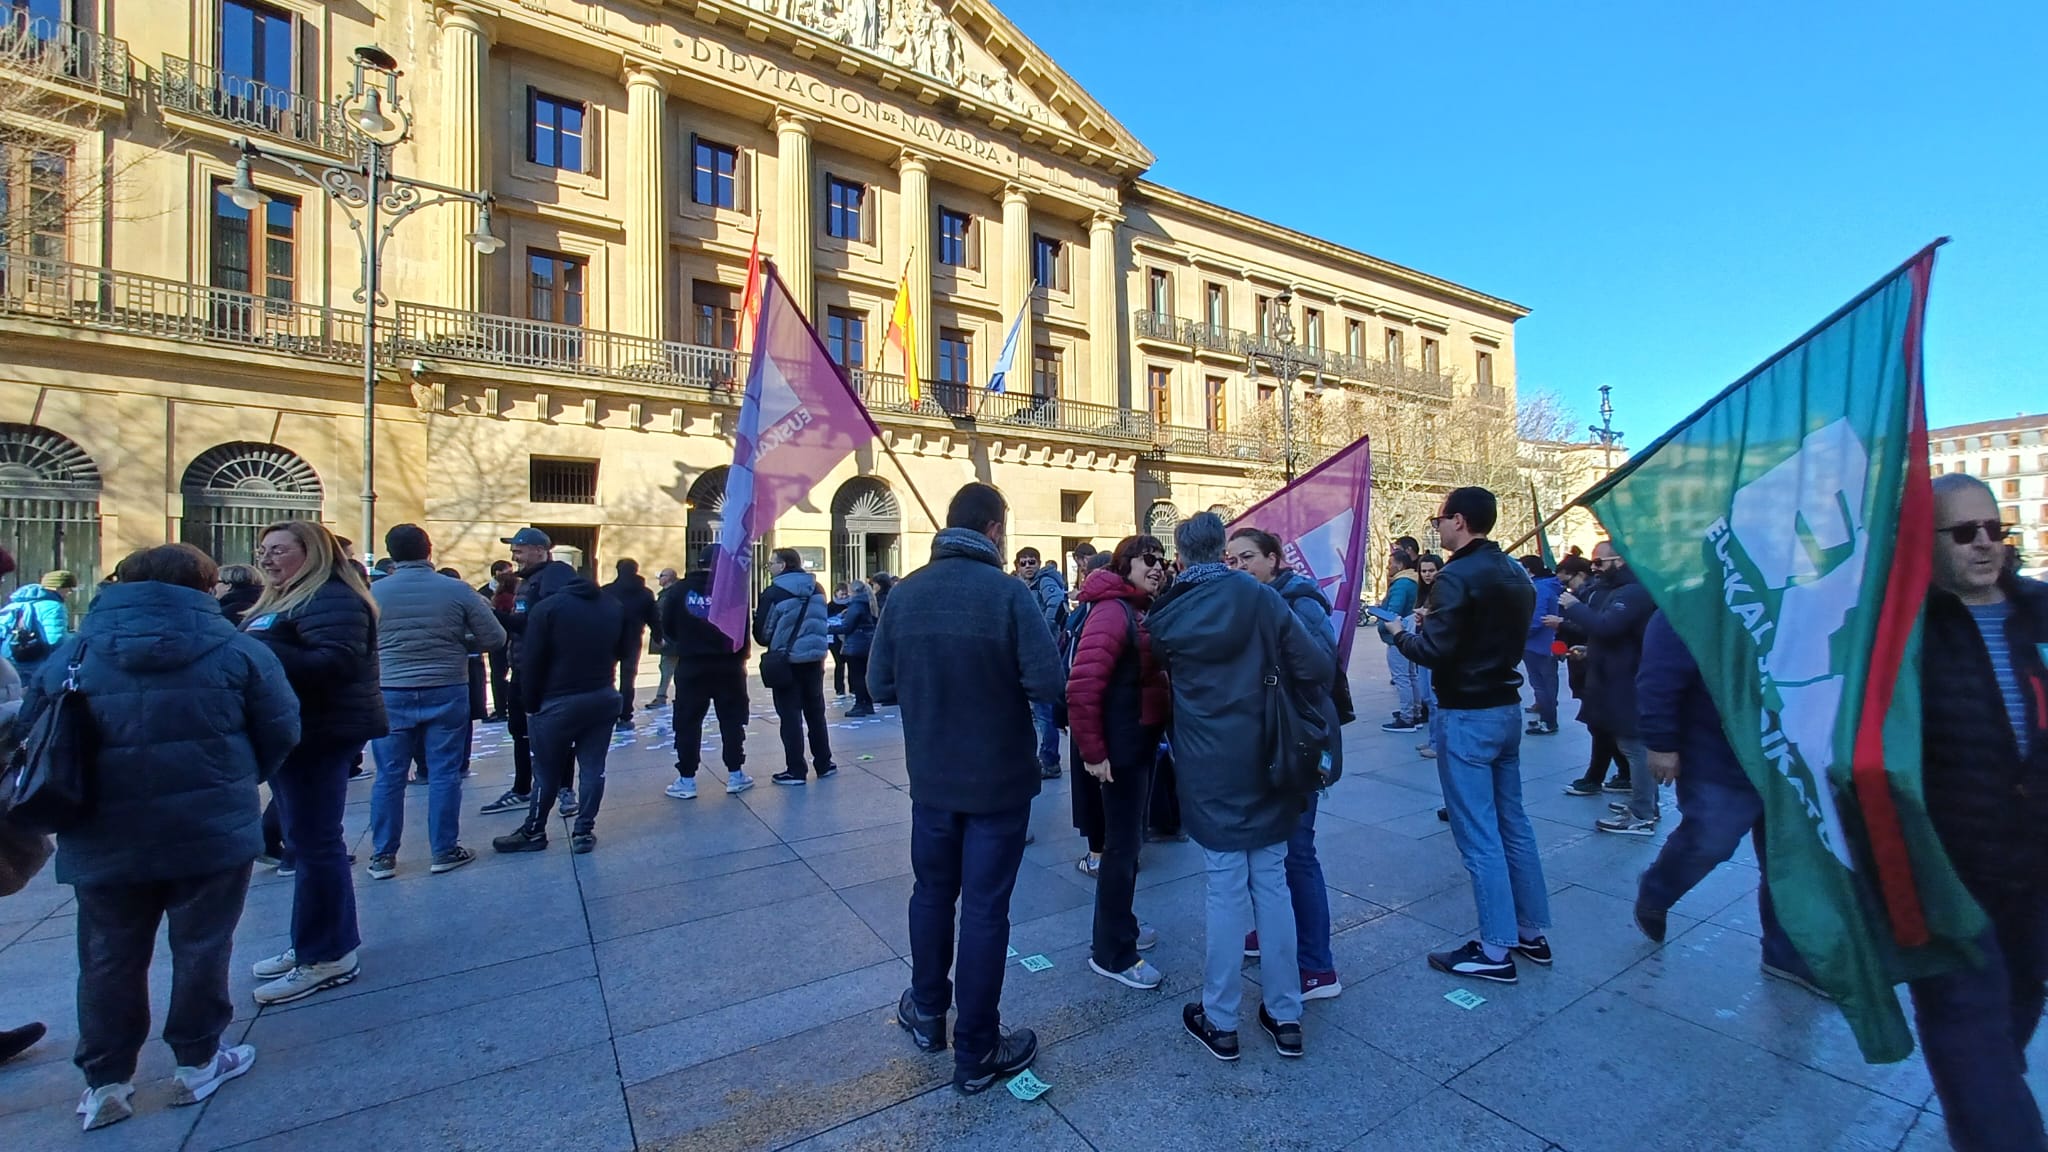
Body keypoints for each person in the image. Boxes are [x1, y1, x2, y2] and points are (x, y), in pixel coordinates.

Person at [19, 545, 300, 1130]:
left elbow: (33, 735)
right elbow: (280, 731)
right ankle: (198, 1060)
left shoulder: (75, 653)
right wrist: (235, 781)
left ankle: (105, 1079)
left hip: (101, 827)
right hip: (209, 823)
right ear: (206, 587)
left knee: (106, 955)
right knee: (203, 944)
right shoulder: (237, 650)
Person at [871, 482, 1062, 1094]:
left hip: (931, 779)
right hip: (1000, 783)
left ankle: (928, 1012)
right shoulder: (1009, 594)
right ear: (996, 531)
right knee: (984, 909)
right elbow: (1048, 681)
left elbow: (878, 684)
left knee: (931, 893)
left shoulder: (906, 594)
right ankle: (977, 1048)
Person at [1149, 512, 1331, 1061]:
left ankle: (1220, 1017)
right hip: (1267, 754)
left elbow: (1159, 668)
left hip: (1207, 763)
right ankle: (1285, 1013)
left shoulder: (1168, 611)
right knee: (1271, 882)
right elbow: (1317, 666)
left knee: (1225, 886)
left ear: (1181, 557)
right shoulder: (1260, 598)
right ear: (1224, 553)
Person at [1908, 473, 2048, 1152]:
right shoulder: (1898, 637)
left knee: (2015, 1019)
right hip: (1947, 885)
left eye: (1996, 529)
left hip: (2034, 879)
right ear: (1926, 544)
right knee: (1974, 1049)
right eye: (1965, 533)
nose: (1986, 543)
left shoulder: (2040, 611)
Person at [1388, 487, 1551, 983]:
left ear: (1459, 521)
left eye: (1440, 519)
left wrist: (1399, 633)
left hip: (1468, 711)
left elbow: (1434, 651)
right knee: (1513, 823)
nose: (1436, 527)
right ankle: (1530, 930)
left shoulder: (1458, 574)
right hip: (1504, 705)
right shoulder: (1515, 573)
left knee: (1479, 833)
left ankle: (1495, 947)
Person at [1629, 609, 1821, 992]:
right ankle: (1658, 889)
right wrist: (1661, 741)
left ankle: (1786, 955)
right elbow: (1659, 675)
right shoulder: (1699, 595)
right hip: (1718, 751)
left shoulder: (1802, 591)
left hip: (1794, 754)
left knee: (1790, 861)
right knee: (1710, 840)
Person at [241, 520, 384, 1006]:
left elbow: (336, 662)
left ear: (314, 553)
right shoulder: (293, 598)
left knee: (315, 843)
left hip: (320, 732)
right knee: (306, 841)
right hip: (299, 732)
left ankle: (327, 952)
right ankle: (314, 942)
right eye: (264, 550)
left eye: (279, 549)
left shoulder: (332, 598)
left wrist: (261, 651)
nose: (267, 558)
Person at [1226, 526, 1347, 1002]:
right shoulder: (1258, 600)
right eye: (1231, 559)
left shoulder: (1299, 601)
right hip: (1275, 739)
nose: (1238, 567)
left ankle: (1318, 966)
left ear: (1275, 559)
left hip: (1299, 742)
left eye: (1248, 558)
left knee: (1297, 852)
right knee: (1275, 848)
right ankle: (1278, 931)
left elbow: (1318, 666)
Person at [365, 525, 505, 881]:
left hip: (392, 688)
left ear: (391, 552)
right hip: (446, 684)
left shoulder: (371, 593)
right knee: (444, 772)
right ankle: (443, 849)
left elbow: (358, 643)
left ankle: (383, 855)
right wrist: (459, 640)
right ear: (429, 550)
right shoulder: (455, 590)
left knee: (389, 775)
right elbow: (494, 637)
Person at [1067, 535, 1172, 991]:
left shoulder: (1137, 607)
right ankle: (1112, 952)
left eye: (1162, 560)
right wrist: (1094, 753)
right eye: (1149, 559)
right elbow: (1082, 686)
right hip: (1122, 748)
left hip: (1139, 742)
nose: (1158, 567)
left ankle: (1122, 924)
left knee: (1128, 844)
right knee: (1121, 847)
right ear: (1125, 562)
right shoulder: (1113, 611)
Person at [492, 562, 634, 854]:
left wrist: (529, 704)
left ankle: (534, 829)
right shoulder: (612, 605)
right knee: (594, 768)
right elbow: (625, 650)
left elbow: (532, 661)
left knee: (545, 771)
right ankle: (583, 830)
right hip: (602, 694)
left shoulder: (548, 608)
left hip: (556, 699)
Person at [1560, 542, 1659, 834]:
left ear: (1620, 561)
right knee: (1627, 743)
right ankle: (1645, 804)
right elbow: (1614, 637)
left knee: (1634, 746)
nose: (1594, 568)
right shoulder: (1620, 591)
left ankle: (1642, 813)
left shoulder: (1634, 592)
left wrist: (1574, 607)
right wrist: (1589, 651)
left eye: (1600, 563)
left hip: (1627, 681)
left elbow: (1607, 627)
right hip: (1614, 678)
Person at [481, 528, 577, 816]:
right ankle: (524, 786)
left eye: (519, 550)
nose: (515, 556)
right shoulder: (527, 583)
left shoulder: (548, 582)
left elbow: (531, 625)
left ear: (539, 550)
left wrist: (493, 614)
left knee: (555, 731)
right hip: (523, 668)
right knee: (520, 730)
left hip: (544, 671)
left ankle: (563, 788)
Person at [663, 547, 754, 799]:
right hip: (729, 665)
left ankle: (686, 778)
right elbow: (743, 628)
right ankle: (735, 773)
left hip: (692, 664)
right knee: (732, 719)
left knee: (687, 721)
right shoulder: (733, 590)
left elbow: (667, 626)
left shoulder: (678, 590)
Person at [753, 548, 835, 785]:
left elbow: (763, 634)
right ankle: (824, 762)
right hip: (815, 659)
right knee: (816, 712)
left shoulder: (774, 592)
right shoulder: (817, 588)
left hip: (787, 661)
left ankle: (796, 770)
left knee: (790, 716)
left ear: (784, 564)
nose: (769, 567)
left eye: (772, 563)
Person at [1015, 546, 1069, 778]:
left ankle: (1049, 760)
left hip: (1044, 653)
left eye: (1032, 562)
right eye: (1024, 562)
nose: (1028, 566)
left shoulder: (1044, 582)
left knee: (1044, 711)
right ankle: (1045, 757)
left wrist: (1043, 630)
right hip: (1032, 652)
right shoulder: (1025, 585)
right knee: (1040, 711)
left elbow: (1056, 604)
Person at [601, 558, 659, 728]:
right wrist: (658, 636)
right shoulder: (644, 593)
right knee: (628, 679)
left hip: (608, 638)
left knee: (607, 676)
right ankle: (625, 715)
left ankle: (608, 710)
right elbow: (653, 618)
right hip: (632, 639)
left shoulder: (607, 591)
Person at [1376, 548, 1424, 733]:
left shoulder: (1401, 584)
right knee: (1412, 676)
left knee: (1402, 678)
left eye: (1390, 563)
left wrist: (1380, 616)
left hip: (1398, 637)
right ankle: (1416, 713)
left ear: (1400, 564)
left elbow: (1393, 612)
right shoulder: (1412, 581)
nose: (1387, 567)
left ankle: (1406, 718)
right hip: (1410, 634)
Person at [2, 568, 75, 682]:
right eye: (69, 588)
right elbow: (56, 640)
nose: (70, 593)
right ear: (57, 587)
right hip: (37, 667)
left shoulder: (13, 605)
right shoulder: (54, 606)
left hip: (9, 665)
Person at [1520, 555, 1563, 736]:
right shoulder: (1545, 586)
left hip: (1540, 645)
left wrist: (1518, 634)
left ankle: (1549, 721)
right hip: (1540, 645)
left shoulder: (1540, 589)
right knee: (1544, 684)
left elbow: (1537, 620)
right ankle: (1546, 717)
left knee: (1543, 685)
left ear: (1529, 570)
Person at [480, 561, 516, 720]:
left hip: (508, 637)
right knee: (499, 674)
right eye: (508, 572)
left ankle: (505, 707)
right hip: (499, 639)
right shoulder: (485, 592)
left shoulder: (513, 592)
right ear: (497, 573)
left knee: (505, 674)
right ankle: (501, 707)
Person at [839, 577, 878, 717]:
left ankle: (860, 704)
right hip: (867, 644)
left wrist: (829, 628)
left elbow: (847, 626)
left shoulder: (856, 605)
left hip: (856, 645)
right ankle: (867, 704)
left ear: (853, 591)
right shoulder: (869, 603)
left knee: (857, 676)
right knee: (863, 675)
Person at [649, 567, 681, 707]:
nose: (659, 578)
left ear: (669, 578)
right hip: (670, 636)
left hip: (670, 637)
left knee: (667, 667)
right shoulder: (668, 593)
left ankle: (661, 696)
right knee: (668, 667)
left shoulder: (671, 595)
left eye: (662, 575)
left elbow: (664, 615)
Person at [827, 582, 851, 699]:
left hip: (847, 636)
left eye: (846, 594)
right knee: (839, 663)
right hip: (835, 638)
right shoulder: (830, 606)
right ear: (836, 593)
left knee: (851, 664)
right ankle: (839, 689)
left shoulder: (851, 605)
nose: (844, 597)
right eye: (842, 594)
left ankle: (853, 688)